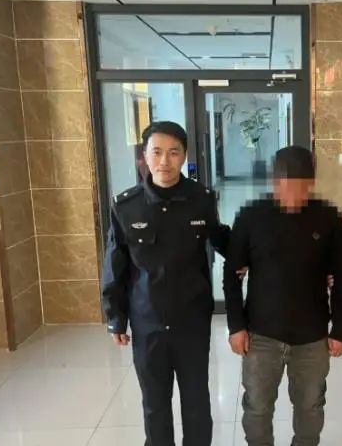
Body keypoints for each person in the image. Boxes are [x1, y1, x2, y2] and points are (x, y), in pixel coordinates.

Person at [101, 121, 230, 446]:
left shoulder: (202, 199)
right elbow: (115, 264)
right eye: (156, 152)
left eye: (173, 153)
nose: (164, 161)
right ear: (144, 156)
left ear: (184, 156)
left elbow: (221, 239)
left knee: (197, 401)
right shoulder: (126, 206)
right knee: (155, 404)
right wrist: (115, 317)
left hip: (192, 321)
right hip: (148, 323)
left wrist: (255, 258)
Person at [224, 146, 342, 446]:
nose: (292, 197)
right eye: (285, 188)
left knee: (310, 407)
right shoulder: (251, 216)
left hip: (312, 337)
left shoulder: (327, 217)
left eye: (300, 189)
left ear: (311, 184)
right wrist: (236, 326)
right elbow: (231, 275)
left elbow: (341, 277)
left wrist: (340, 329)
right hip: (260, 335)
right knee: (257, 408)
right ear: (274, 182)